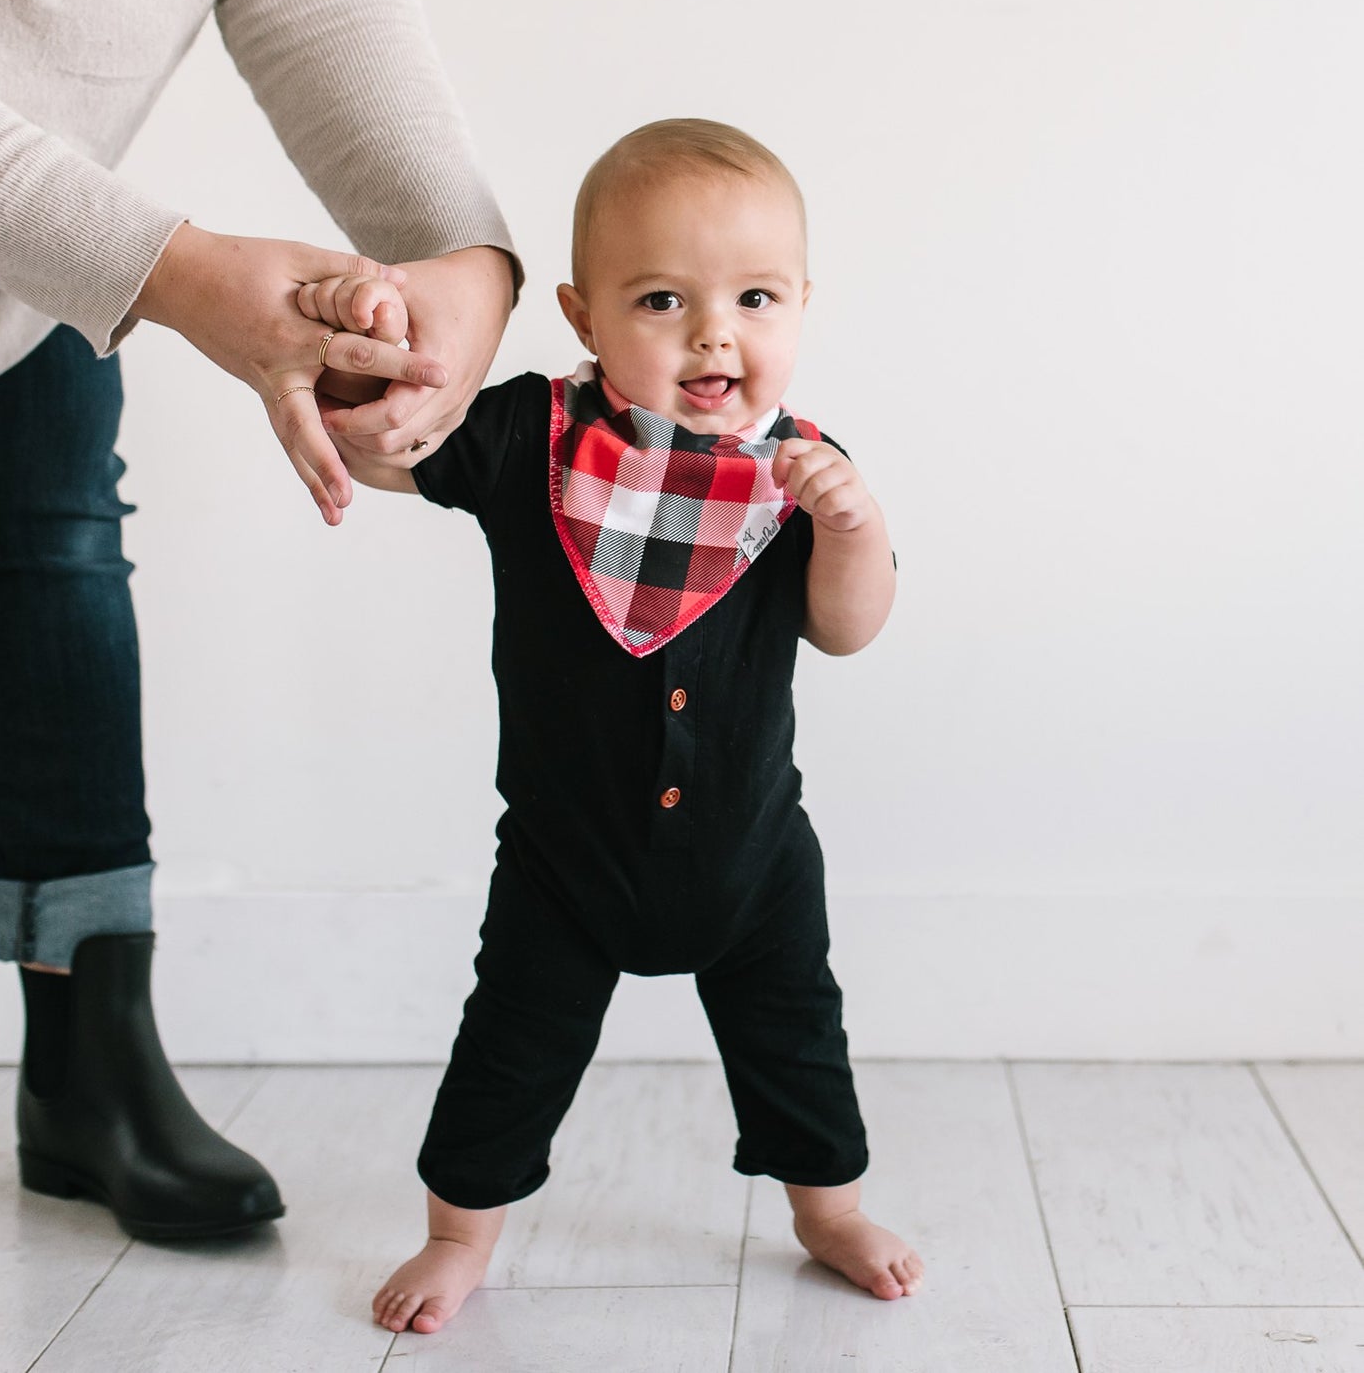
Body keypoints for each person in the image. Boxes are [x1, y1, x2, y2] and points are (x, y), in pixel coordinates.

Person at [0, 0, 515, 1239]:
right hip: (64, 242)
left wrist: (453, 258)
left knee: (54, 601)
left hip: (6, 268)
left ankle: (90, 1057)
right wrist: (176, 274)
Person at [298, 118, 924, 1334]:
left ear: (801, 303)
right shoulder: (528, 437)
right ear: (583, 317)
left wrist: (849, 529)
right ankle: (457, 1231)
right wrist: (357, 370)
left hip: (750, 856)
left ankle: (828, 1206)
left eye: (753, 296)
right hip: (563, 860)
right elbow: (389, 449)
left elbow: (845, 631)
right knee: (512, 1045)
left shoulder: (801, 470)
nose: (713, 332)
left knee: (796, 1037)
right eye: (660, 298)